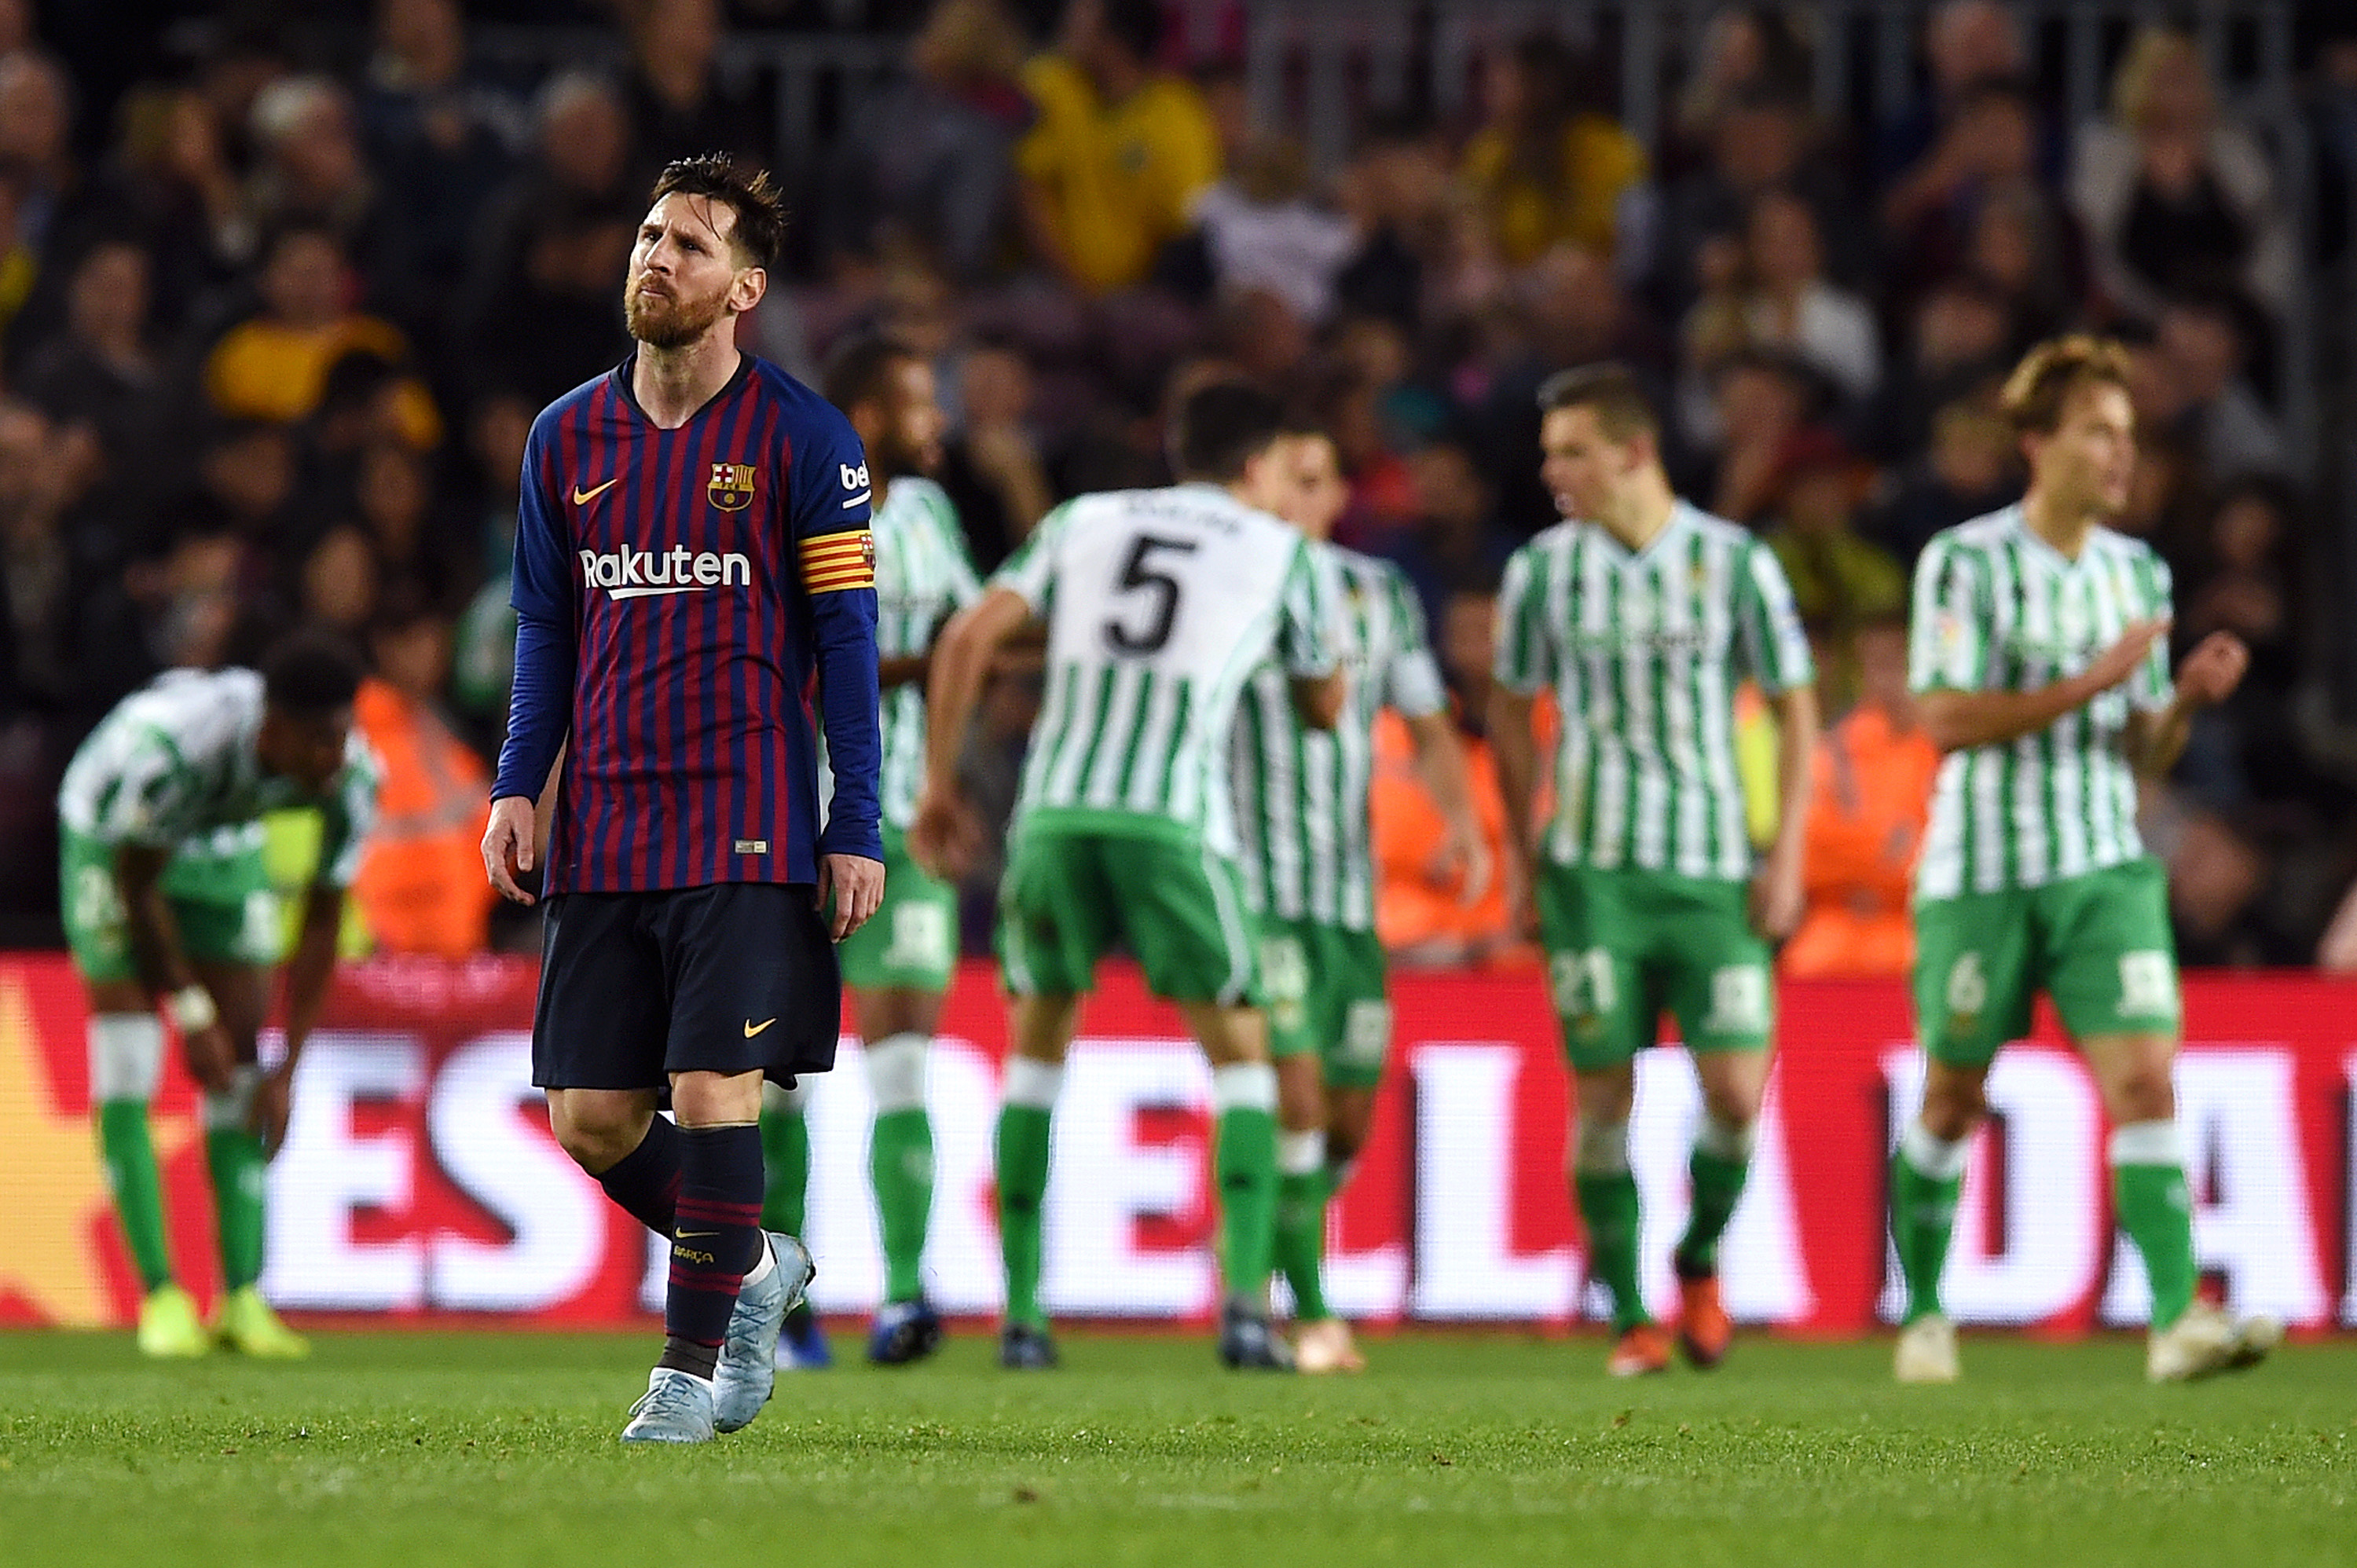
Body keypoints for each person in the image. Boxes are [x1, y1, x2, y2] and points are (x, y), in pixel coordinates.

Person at [480, 155, 885, 1445]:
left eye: (692, 247)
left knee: (715, 1086)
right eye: (650, 236)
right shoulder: (564, 436)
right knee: (592, 1119)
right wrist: (516, 787)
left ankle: (684, 1377)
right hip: (604, 814)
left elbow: (850, 646)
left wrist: (854, 821)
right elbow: (546, 628)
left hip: (746, 811)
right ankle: (758, 1266)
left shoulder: (805, 438)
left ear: (744, 289)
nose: (658, 258)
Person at [911, 382, 1343, 1372]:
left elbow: (971, 634)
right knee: (1241, 1059)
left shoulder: (1085, 519)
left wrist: (941, 786)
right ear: (1256, 467)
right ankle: (1244, 1308)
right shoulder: (1284, 552)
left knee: (1034, 1059)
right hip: (1176, 825)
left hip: (1056, 813)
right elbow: (1323, 703)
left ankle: (1021, 1317)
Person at [1891, 335, 2281, 1385]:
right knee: (1953, 1101)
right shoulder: (1964, 562)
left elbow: (2137, 749)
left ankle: (2173, 1321)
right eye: (2099, 433)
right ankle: (1924, 1310)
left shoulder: (2136, 571)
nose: (2120, 455)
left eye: (2128, 435)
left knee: (2147, 1080)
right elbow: (1945, 716)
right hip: (1981, 871)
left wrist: (2181, 701)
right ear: (2038, 444)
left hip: (2102, 862)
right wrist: (2094, 677)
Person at [1490, 364, 1818, 1377]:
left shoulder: (1734, 564)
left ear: (1634, 452)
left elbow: (1797, 707)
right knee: (1601, 1094)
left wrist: (1789, 850)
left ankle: (1701, 1257)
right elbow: (1509, 707)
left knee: (1732, 1090)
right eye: (1550, 452)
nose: (1554, 470)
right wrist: (1522, 847)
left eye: (1572, 451)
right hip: (1593, 874)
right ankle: (1632, 1310)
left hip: (1713, 870)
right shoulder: (1542, 572)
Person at [1231, 422, 1486, 1373]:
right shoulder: (1231, 585)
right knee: (1294, 1098)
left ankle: (1263, 1257)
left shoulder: (1381, 597)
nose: (1296, 497)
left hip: (1349, 898)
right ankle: (1309, 1308)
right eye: (1281, 478)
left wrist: (1460, 818)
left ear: (1338, 494)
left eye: (1313, 479)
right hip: (1254, 891)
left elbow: (1426, 719)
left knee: (1344, 1120)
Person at [56, 633, 380, 1359]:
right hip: (116, 838)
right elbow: (137, 884)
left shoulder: (351, 776)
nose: (337, 758)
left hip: (224, 837)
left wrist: (287, 1068)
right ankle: (161, 1300)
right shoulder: (170, 757)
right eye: (321, 742)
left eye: (344, 736)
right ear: (274, 733)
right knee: (129, 1061)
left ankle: (242, 1299)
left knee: (241, 1068)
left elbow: (325, 917)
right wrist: (188, 1008)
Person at [758, 335, 981, 1372]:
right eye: (913, 400)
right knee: (777, 1076)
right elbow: (785, 665)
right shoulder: (793, 500)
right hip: (790, 824)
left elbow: (970, 643)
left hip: (904, 823)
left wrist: (948, 770)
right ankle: (783, 1301)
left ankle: (903, 1297)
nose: (932, 417)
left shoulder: (931, 516)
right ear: (863, 411)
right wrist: (925, 663)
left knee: (901, 1062)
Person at [1014, 0, 1221, 295]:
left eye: (1082, 23)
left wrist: (1140, 297)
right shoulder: (1053, 85)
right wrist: (1080, 291)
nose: (1067, 29)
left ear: (1116, 42)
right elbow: (1028, 192)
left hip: (1147, 296)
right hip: (1052, 287)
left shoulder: (1176, 112)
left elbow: (1188, 223)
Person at [1780, 615, 1939, 979]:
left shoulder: (1945, 752)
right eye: (1879, 663)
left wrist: (1878, 855)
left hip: (1917, 939)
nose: (1890, 677)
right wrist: (1890, 847)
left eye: (1901, 663)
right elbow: (1808, 853)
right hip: (1828, 942)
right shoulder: (1832, 749)